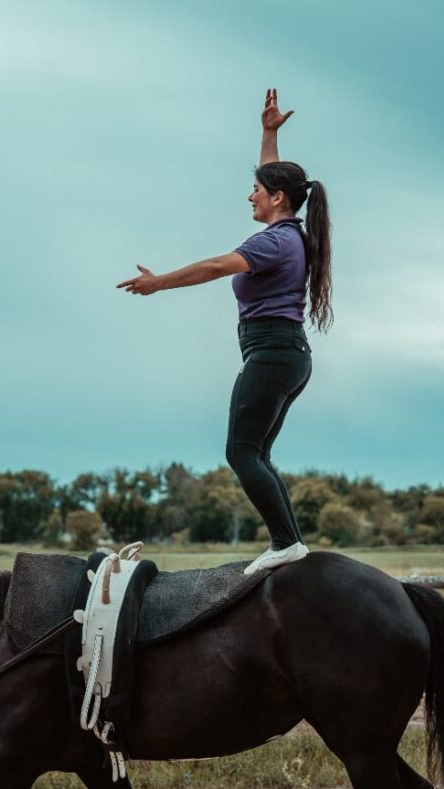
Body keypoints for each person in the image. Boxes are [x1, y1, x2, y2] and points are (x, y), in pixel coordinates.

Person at [117, 88, 333, 573]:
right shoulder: (291, 232)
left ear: (277, 199)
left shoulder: (274, 242)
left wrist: (158, 284)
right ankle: (290, 543)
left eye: (257, 190)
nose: (250, 194)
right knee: (255, 453)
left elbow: (216, 266)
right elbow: (275, 180)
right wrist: (269, 134)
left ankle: (286, 543)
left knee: (241, 452)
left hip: (274, 353)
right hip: (287, 354)